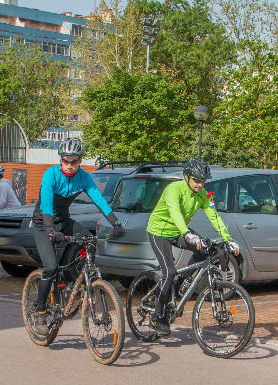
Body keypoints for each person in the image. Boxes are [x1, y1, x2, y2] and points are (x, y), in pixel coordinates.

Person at [31, 138, 125, 323]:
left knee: (90, 241)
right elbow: (47, 205)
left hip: (64, 221)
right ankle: (40, 309)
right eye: (65, 160)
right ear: (60, 159)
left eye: (73, 161)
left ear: (80, 161)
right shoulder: (51, 175)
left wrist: (116, 223)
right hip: (44, 222)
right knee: (50, 267)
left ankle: (71, 281)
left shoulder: (84, 177)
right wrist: (50, 229)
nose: (69, 165)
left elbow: (99, 200)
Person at [144, 158, 240, 336]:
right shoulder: (173, 189)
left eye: (203, 180)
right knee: (169, 272)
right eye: (197, 180)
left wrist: (228, 239)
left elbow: (214, 217)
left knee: (206, 249)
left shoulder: (202, 194)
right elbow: (175, 213)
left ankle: (182, 283)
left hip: (179, 231)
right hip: (159, 232)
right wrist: (187, 233)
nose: (200, 184)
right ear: (186, 177)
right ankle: (157, 316)